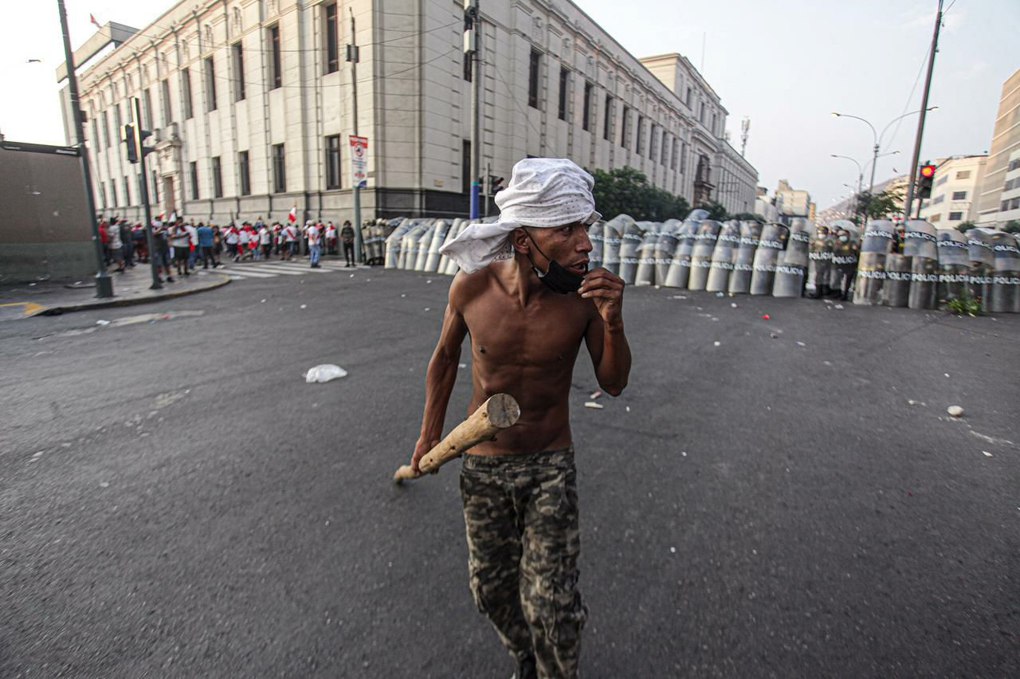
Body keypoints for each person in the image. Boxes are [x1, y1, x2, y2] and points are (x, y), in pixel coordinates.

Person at [409, 158, 631, 679]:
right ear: (525, 240)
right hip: (483, 465)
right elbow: (444, 359)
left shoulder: (585, 300)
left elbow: (614, 383)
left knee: (552, 603)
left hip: (550, 464)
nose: (586, 244)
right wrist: (428, 435)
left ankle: (557, 669)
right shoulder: (472, 287)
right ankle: (526, 657)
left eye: (585, 227)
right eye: (567, 230)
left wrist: (614, 323)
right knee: (490, 590)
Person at [832, 226, 859, 301]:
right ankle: (838, 293)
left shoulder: (852, 243)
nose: (842, 237)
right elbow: (834, 252)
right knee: (837, 279)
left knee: (848, 280)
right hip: (839, 263)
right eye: (840, 235)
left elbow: (856, 252)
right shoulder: (837, 243)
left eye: (844, 235)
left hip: (850, 264)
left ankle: (845, 294)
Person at [808, 225, 834, 298]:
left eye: (822, 233)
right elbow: (812, 249)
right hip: (818, 260)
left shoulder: (830, 241)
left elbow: (834, 250)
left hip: (826, 261)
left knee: (823, 276)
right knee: (819, 275)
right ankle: (818, 291)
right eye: (819, 233)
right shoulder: (815, 240)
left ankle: (821, 292)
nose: (821, 234)